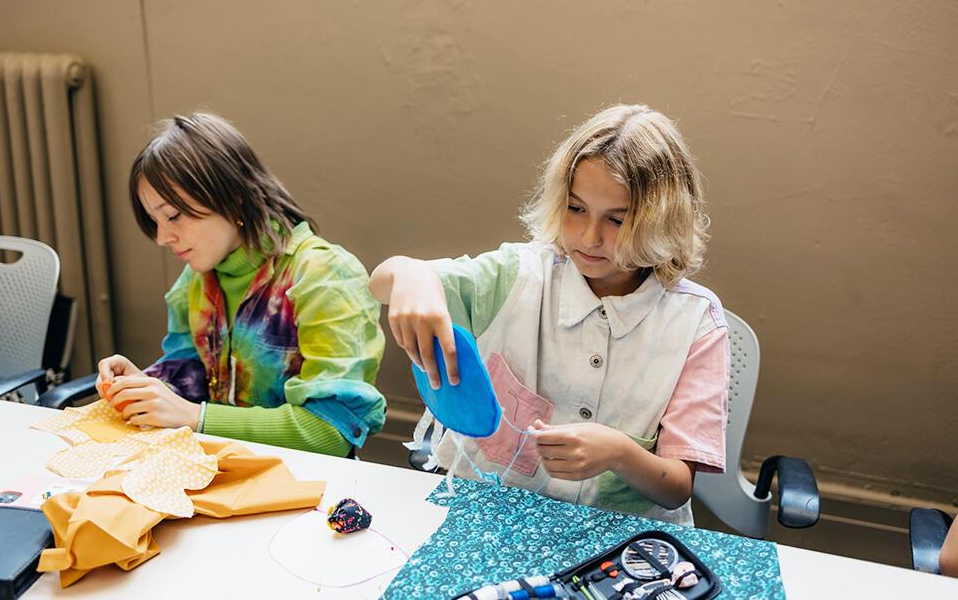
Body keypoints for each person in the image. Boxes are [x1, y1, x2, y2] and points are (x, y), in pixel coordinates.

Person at [370, 104, 728, 524]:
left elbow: (676, 488)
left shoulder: (697, 323)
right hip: (487, 522)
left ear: (661, 221)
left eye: (617, 220)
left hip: (617, 548)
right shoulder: (515, 277)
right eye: (576, 209)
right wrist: (413, 277)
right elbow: (384, 280)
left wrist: (620, 452)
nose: (589, 237)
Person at [99, 112, 385, 456]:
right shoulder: (197, 277)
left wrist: (195, 417)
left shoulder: (325, 276)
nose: (162, 237)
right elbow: (190, 380)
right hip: (215, 476)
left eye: (174, 215)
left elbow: (331, 432)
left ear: (232, 196)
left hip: (305, 492)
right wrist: (146, 388)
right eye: (154, 221)